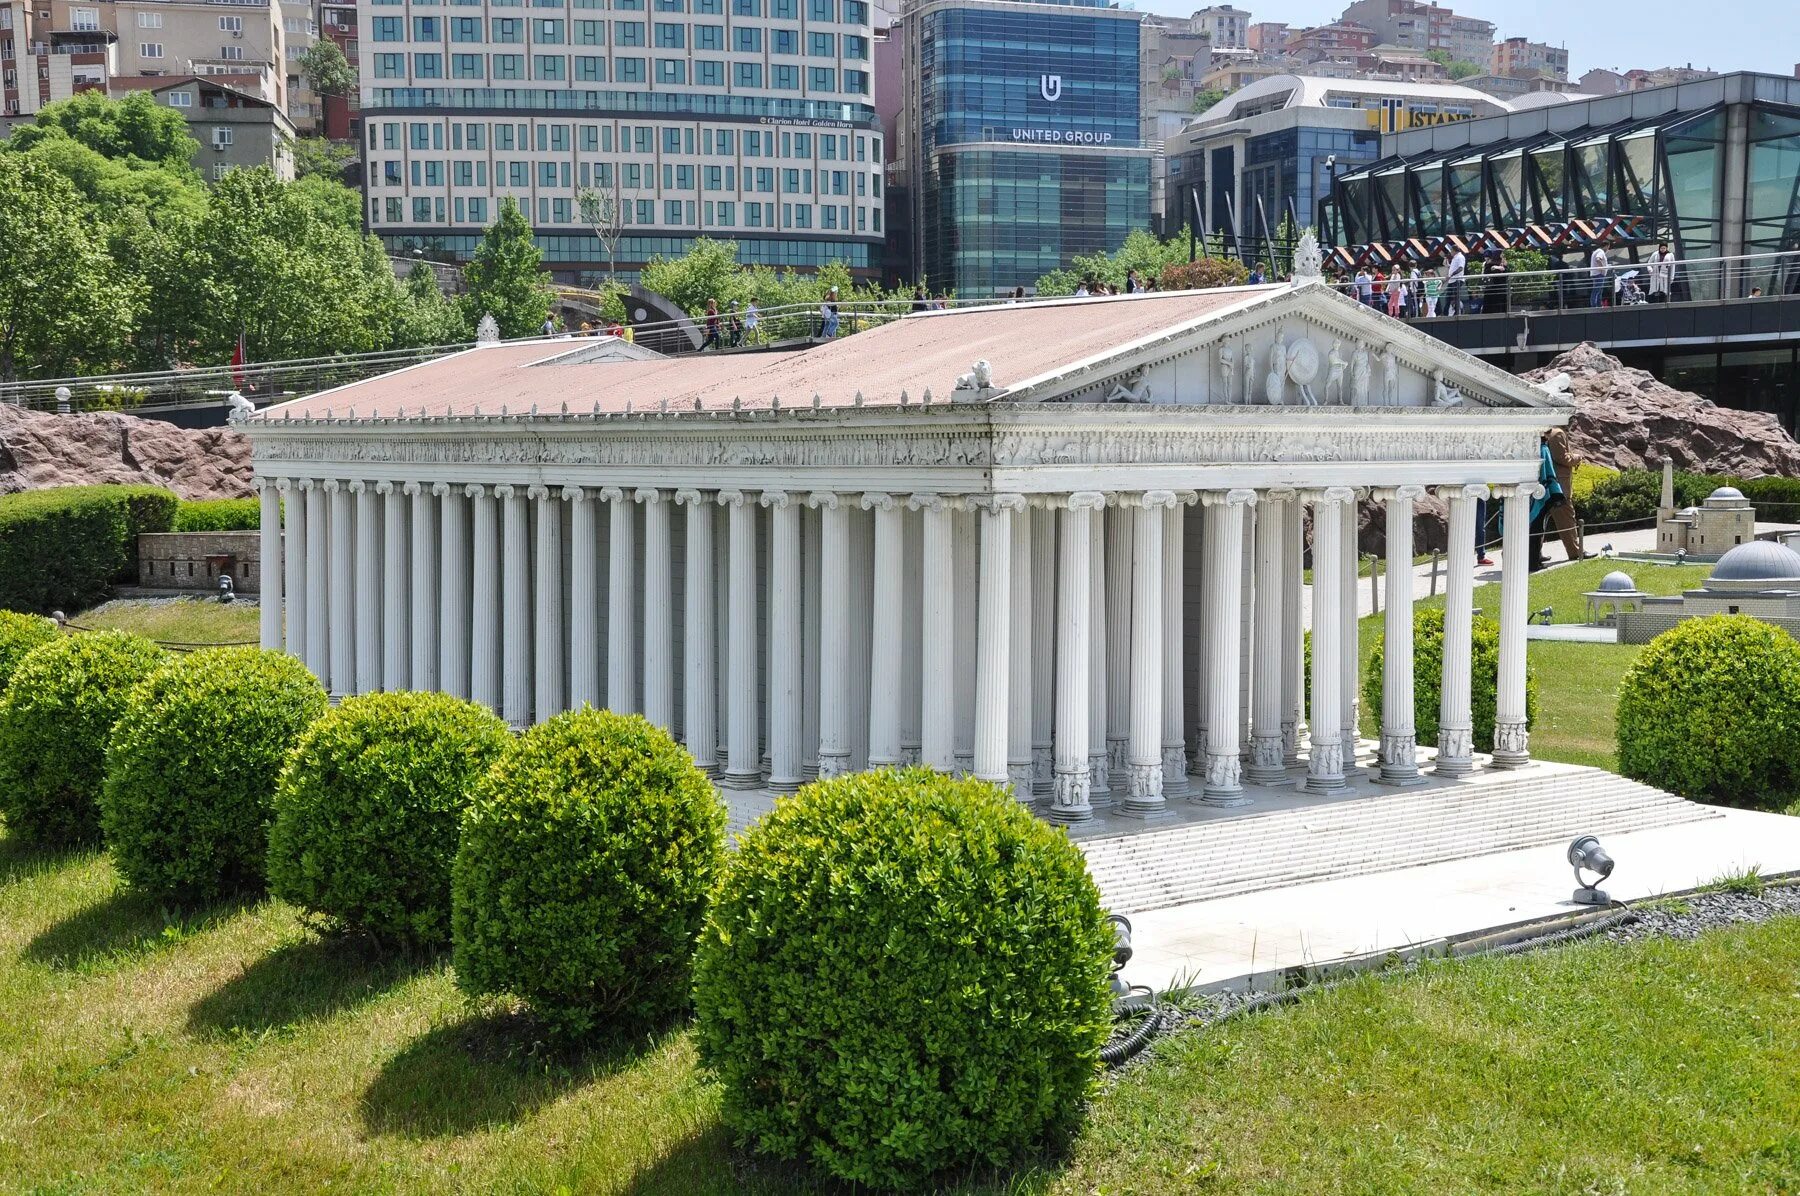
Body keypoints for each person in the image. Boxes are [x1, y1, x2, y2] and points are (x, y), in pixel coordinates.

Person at [1446, 247, 1467, 315]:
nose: (1450, 252)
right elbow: (1454, 267)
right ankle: (1452, 312)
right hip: (1452, 280)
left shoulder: (1460, 257)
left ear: (1454, 250)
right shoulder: (1455, 258)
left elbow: (1461, 268)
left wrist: (1451, 275)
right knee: (1450, 297)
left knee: (1455, 297)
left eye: (1451, 250)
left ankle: (1458, 312)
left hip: (1457, 280)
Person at [1588, 243, 1609, 308]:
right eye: (1608, 247)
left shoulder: (1596, 251)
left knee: (1599, 290)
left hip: (1596, 273)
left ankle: (1599, 304)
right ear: (1606, 246)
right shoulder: (1601, 252)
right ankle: (1594, 305)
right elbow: (1598, 259)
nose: (1608, 249)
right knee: (1597, 289)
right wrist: (1602, 269)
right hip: (1598, 274)